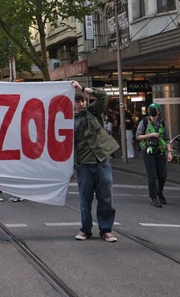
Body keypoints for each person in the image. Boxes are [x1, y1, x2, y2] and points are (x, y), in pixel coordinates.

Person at [71, 80, 119, 242]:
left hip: (102, 160)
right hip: (83, 162)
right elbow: (68, 146)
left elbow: (103, 95)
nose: (81, 103)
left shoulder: (94, 111)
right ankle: (85, 230)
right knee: (85, 198)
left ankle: (106, 230)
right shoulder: (67, 120)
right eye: (77, 101)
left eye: (83, 100)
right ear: (72, 103)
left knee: (106, 197)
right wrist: (70, 168)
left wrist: (83, 88)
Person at [136, 103, 173, 207]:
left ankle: (159, 192)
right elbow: (138, 136)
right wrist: (151, 135)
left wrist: (169, 152)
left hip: (160, 150)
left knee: (162, 175)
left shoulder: (163, 123)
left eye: (154, 109)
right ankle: (153, 198)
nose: (152, 111)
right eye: (150, 109)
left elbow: (167, 139)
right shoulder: (144, 122)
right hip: (147, 150)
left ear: (159, 111)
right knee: (152, 175)